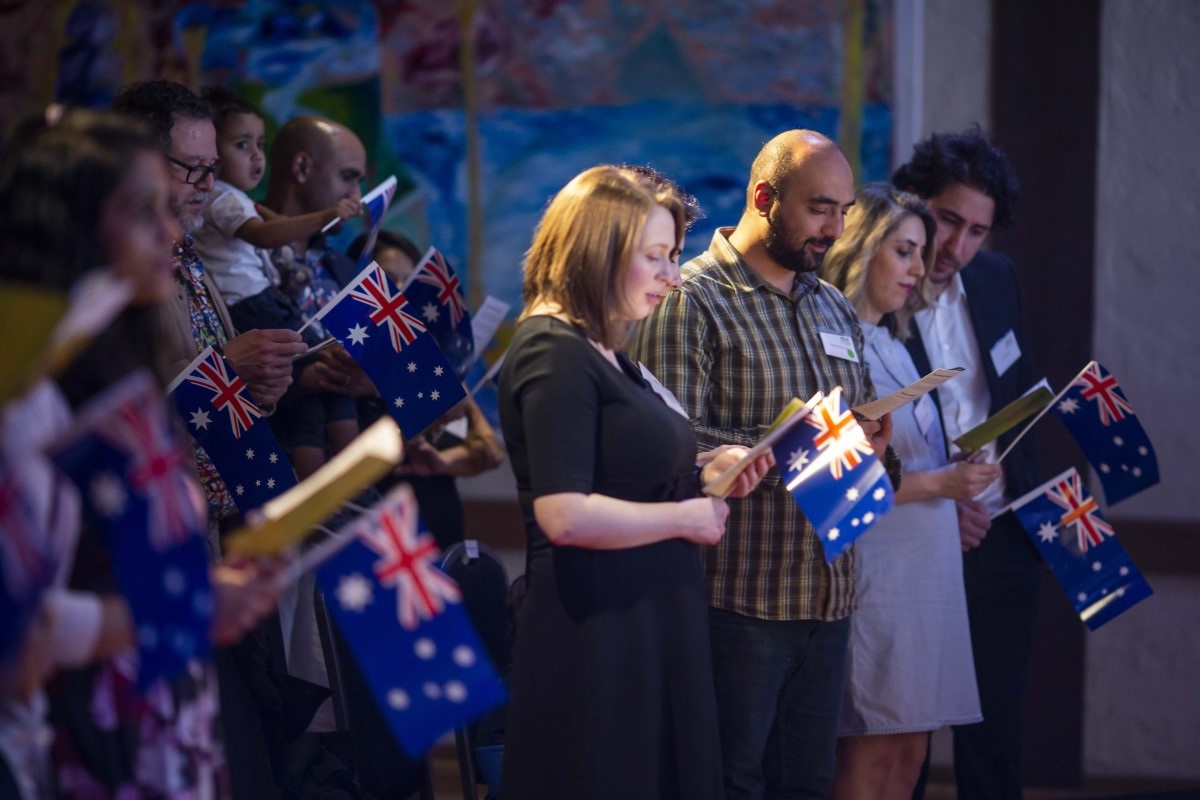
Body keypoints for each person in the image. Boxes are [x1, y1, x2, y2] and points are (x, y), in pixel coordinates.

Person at [0, 107, 287, 800]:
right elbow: (20, 627)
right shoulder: (28, 395)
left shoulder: (120, 366)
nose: (169, 231)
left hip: (156, 723)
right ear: (76, 225)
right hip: (73, 743)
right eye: (142, 210)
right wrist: (189, 608)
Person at [630, 129, 896, 800]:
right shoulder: (692, 299)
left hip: (828, 595)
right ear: (763, 198)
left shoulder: (831, 302)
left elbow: (848, 434)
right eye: (819, 209)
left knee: (805, 784)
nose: (835, 230)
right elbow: (667, 446)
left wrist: (870, 444)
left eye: (842, 212)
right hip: (739, 598)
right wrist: (777, 444)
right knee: (729, 782)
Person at [498, 165, 770, 799]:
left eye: (674, 256)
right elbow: (563, 513)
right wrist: (684, 519)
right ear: (597, 251)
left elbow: (627, 470)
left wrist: (708, 468)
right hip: (596, 634)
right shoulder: (551, 349)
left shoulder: (607, 352)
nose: (674, 277)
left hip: (648, 620)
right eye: (656, 257)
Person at [820, 184, 1000, 799]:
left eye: (920, 253)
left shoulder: (895, 342)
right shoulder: (826, 344)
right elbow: (834, 485)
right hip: (877, 565)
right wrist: (940, 482)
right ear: (862, 249)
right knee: (869, 751)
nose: (920, 269)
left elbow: (903, 451)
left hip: (926, 569)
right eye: (904, 251)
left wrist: (955, 465)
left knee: (910, 751)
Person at [893, 130, 1039, 800]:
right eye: (948, 220)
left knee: (997, 745)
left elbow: (1016, 394)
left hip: (1004, 536)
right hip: (919, 542)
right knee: (906, 746)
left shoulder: (996, 276)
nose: (956, 248)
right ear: (913, 203)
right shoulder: (878, 284)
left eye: (976, 230)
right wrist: (935, 508)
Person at [110, 80, 308, 526]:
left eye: (213, 168)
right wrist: (223, 369)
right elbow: (109, 409)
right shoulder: (108, 269)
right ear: (140, 163)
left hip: (222, 517)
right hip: (156, 518)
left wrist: (257, 389)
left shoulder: (186, 250)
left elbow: (218, 374)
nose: (209, 184)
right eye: (193, 167)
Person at [193, 86, 363, 480]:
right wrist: (326, 215)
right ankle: (331, 491)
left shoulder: (235, 200)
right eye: (241, 144)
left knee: (320, 380)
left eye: (261, 144)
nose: (256, 156)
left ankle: (346, 486)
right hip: (251, 304)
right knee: (308, 380)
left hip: (258, 301)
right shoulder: (222, 198)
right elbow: (267, 234)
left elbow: (265, 219)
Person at [349, 228, 505, 549]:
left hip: (442, 529)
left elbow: (490, 453)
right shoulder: (347, 367)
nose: (403, 295)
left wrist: (443, 462)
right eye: (391, 282)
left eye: (411, 283)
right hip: (379, 539)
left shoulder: (433, 370)